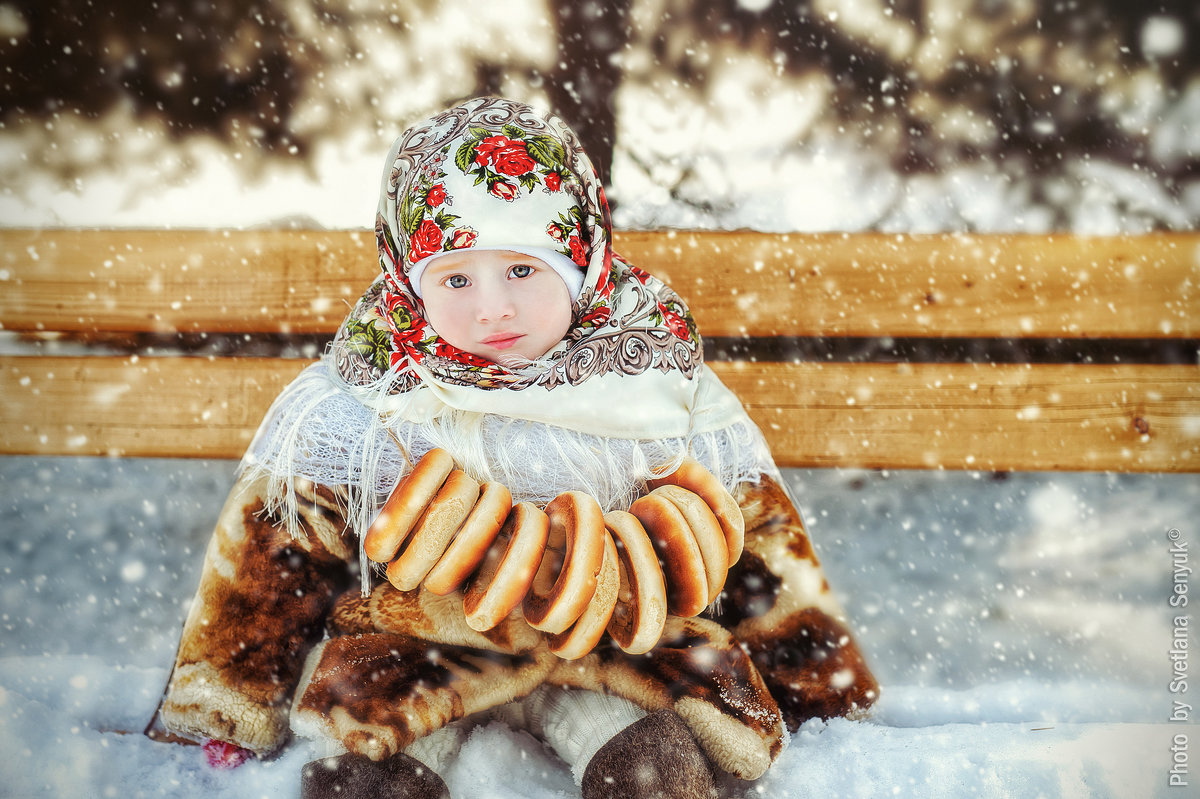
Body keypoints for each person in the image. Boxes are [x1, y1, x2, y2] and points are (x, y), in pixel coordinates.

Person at [155, 96, 878, 799]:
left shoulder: (656, 382)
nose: (491, 306)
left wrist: (821, 688)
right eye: (457, 278)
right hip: (418, 654)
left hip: (611, 650)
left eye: (523, 270)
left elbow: (754, 534)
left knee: (655, 764)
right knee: (367, 771)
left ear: (581, 260)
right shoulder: (369, 397)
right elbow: (275, 550)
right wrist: (221, 703)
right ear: (410, 282)